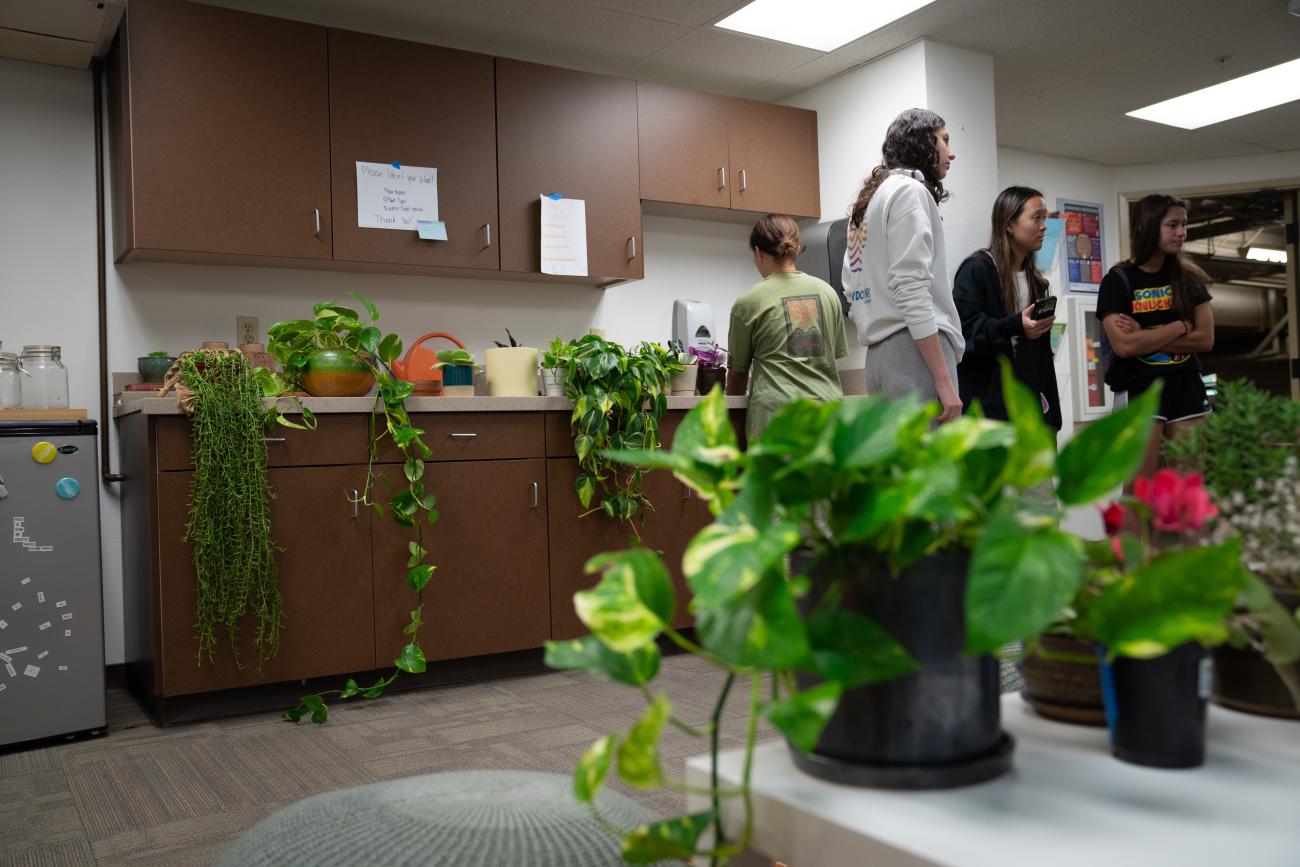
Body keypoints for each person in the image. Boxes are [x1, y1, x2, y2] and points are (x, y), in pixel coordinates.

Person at [841, 108, 962, 422]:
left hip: (879, 357)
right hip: (917, 351)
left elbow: (850, 285)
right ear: (924, 144)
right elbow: (910, 287)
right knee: (930, 466)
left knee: (897, 466)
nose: (952, 153)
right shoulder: (909, 192)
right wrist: (943, 379)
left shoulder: (868, 202)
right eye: (944, 141)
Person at [1097, 193, 1214, 482]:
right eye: (1172, 225)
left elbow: (1205, 340)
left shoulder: (1191, 279)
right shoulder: (1118, 280)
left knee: (1188, 488)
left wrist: (1145, 336)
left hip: (1186, 384)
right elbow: (1124, 346)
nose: (1181, 233)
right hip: (1139, 388)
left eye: (1184, 225)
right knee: (1139, 489)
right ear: (1148, 226)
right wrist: (1179, 327)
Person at [727, 214, 847, 441]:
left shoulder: (748, 302)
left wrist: (729, 418)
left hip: (775, 421)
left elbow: (738, 374)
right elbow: (832, 357)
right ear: (797, 248)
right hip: (827, 417)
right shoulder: (828, 293)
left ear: (758, 252)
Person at [953, 186, 1061, 430]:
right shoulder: (978, 270)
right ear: (1009, 224)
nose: (1044, 226)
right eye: (1036, 218)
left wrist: (1051, 416)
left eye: (1045, 218)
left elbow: (1043, 357)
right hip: (987, 414)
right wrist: (1015, 325)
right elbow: (965, 335)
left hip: (1029, 409)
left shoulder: (1037, 282)